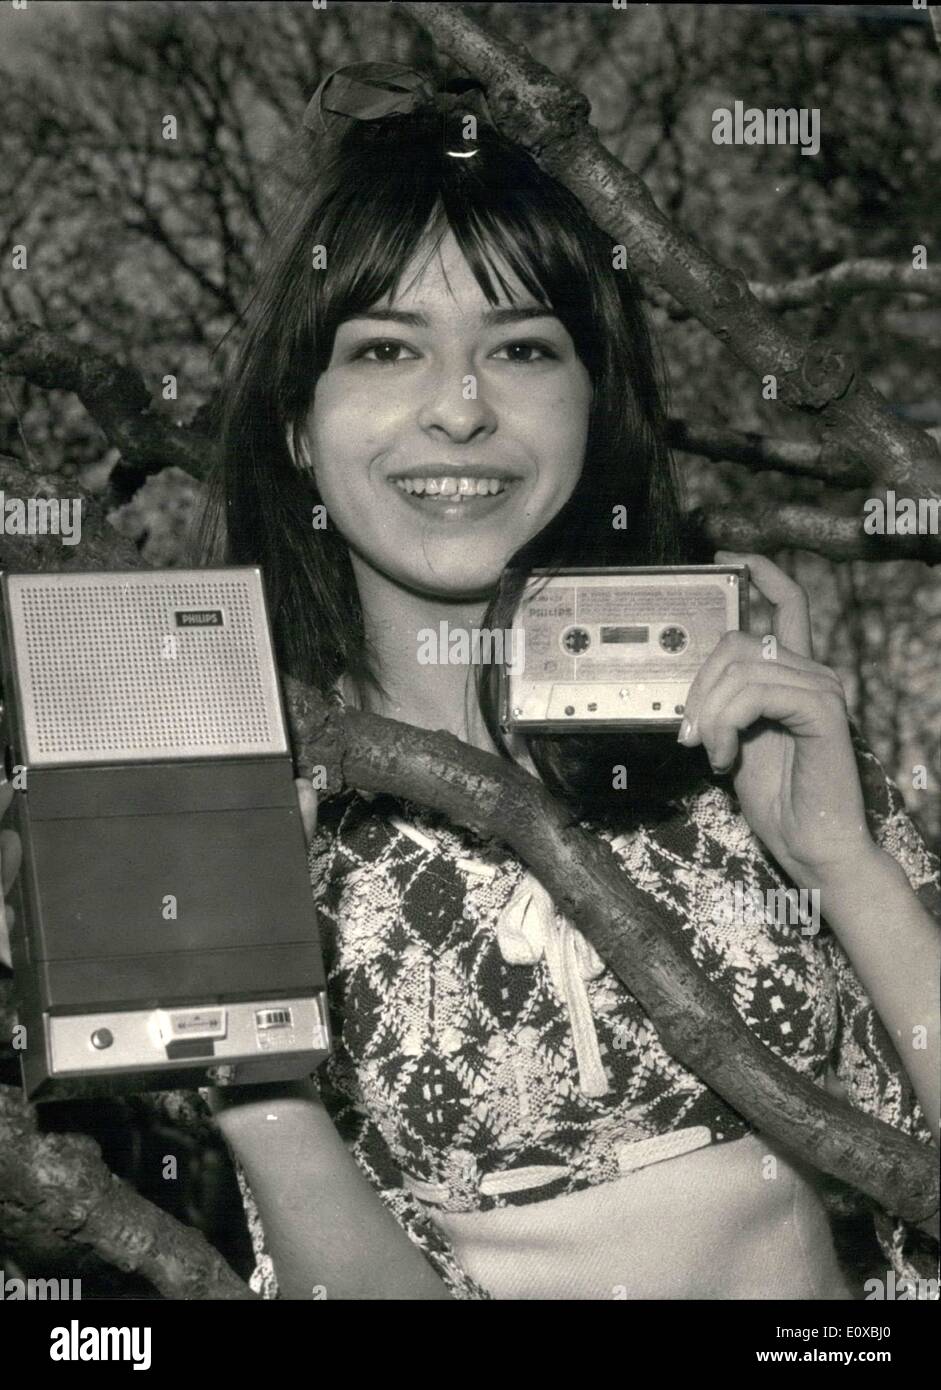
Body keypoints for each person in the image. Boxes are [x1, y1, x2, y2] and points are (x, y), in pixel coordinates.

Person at [3, 62, 938, 1301]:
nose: (459, 409)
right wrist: (259, 1076)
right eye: (387, 345)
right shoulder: (250, 812)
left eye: (521, 346)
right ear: (295, 419)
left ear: (595, 404)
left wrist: (843, 865)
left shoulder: (745, 728)